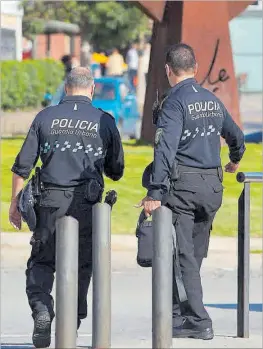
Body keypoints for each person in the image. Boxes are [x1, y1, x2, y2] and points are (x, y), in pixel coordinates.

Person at [9, 67, 124, 348]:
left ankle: (42, 310)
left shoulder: (45, 117)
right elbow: (116, 169)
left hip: (48, 201)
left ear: (66, 87)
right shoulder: (104, 121)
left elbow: (22, 166)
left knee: (42, 261)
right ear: (92, 88)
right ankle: (71, 323)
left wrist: (15, 204)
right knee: (83, 264)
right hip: (85, 202)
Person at [137, 43, 245, 340]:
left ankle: (198, 320)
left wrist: (155, 192)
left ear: (168, 70)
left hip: (184, 188)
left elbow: (165, 150)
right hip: (212, 187)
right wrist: (234, 161)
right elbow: (237, 136)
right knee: (192, 257)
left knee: (182, 256)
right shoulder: (212, 99)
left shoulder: (174, 103)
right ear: (196, 68)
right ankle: (177, 315)